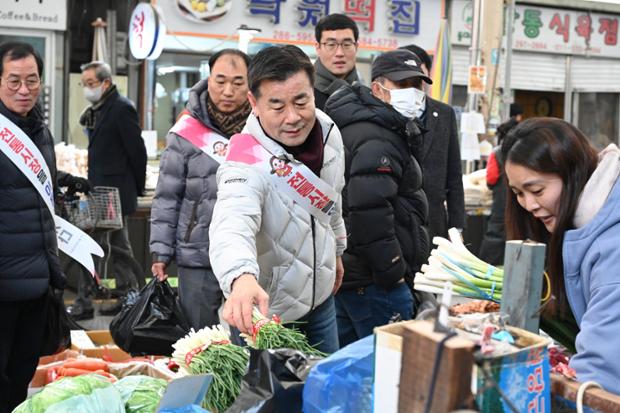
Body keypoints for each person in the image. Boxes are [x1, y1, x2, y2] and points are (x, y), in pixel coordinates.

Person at [208, 45, 346, 354]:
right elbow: (231, 224)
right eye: (277, 106)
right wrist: (240, 278)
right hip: (266, 316)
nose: (293, 117)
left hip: (322, 303)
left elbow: (332, 201)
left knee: (327, 397)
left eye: (301, 101)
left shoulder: (329, 132)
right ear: (254, 103)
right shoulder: (244, 157)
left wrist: (337, 249)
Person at [503, 117, 620, 395]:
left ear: (573, 173)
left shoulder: (612, 253)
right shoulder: (587, 226)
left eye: (537, 190)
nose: (529, 205)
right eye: (518, 193)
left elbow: (600, 378)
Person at [324, 49, 430, 346]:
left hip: (352, 275)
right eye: (402, 84)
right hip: (374, 281)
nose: (413, 92)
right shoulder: (377, 135)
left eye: (417, 84)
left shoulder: (377, 126)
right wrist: (393, 272)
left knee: (349, 368)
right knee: (386, 371)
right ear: (377, 89)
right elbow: (368, 211)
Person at [150, 49, 252, 330]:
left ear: (250, 84)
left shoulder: (262, 129)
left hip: (249, 255)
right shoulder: (186, 131)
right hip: (197, 249)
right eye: (220, 81)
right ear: (208, 80)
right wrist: (161, 251)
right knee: (199, 339)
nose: (228, 91)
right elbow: (167, 196)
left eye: (238, 82)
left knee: (247, 338)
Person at [0, 41, 64, 412]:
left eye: (32, 80)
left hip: (37, 280)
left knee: (23, 372)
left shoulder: (40, 130)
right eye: (13, 81)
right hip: (3, 283)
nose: (24, 90)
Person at [72, 61, 147, 318]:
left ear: (106, 82)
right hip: (100, 190)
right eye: (85, 84)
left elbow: (137, 151)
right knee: (111, 246)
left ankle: (123, 298)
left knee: (115, 247)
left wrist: (135, 189)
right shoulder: (99, 108)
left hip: (115, 192)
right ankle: (124, 297)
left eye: (91, 84)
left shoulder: (121, 108)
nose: (87, 89)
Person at [400, 44, 465, 239]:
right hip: (400, 218)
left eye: (418, 74)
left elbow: (454, 173)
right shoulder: (391, 112)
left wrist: (457, 226)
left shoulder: (444, 113)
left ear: (427, 73)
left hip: (435, 220)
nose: (412, 83)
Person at [478, 103, 523, 265]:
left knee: (495, 235)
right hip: (521, 204)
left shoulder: (496, 153)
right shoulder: (523, 152)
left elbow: (491, 178)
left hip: (500, 204)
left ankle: (487, 270)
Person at [313, 13, 360, 110]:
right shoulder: (304, 95)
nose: (339, 53)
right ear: (318, 48)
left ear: (356, 47)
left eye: (347, 44)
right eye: (331, 44)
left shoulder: (367, 94)